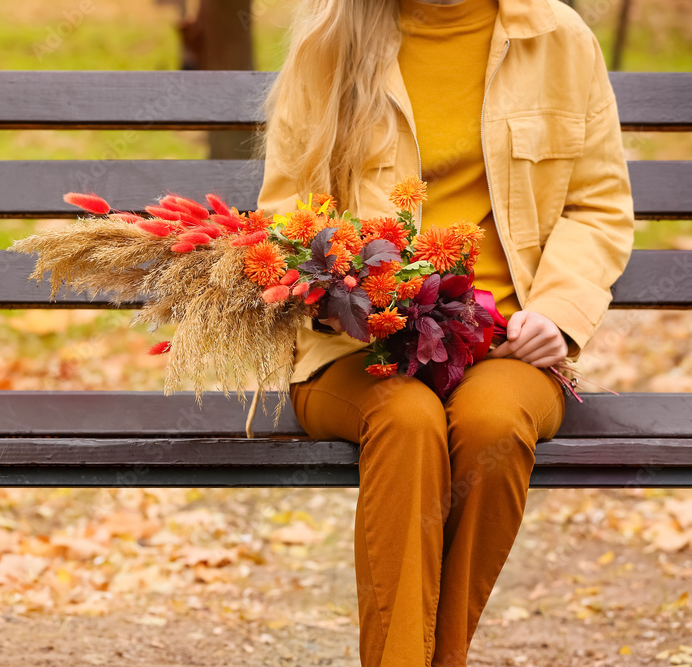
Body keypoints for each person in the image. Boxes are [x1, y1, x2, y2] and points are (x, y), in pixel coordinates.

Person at [254, 0, 635, 664]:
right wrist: (348, 289)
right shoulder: (331, 41)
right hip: (354, 345)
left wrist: (557, 312)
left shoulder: (556, 39)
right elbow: (285, 211)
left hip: (505, 341)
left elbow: (597, 205)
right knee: (408, 422)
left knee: (492, 424)